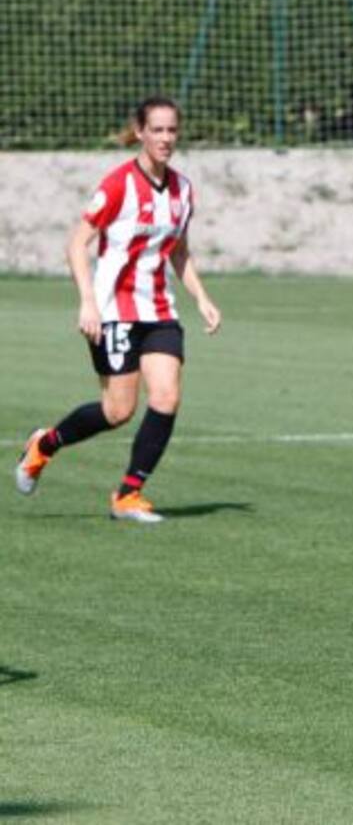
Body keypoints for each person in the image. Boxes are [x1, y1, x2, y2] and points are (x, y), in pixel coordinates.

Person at [14, 96, 222, 523]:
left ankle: (128, 494)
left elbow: (178, 250)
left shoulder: (183, 190)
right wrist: (88, 302)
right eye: (157, 130)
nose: (166, 138)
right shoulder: (118, 184)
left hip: (159, 310)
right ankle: (44, 445)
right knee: (117, 411)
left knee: (166, 396)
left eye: (172, 130)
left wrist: (201, 298)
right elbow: (76, 244)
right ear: (140, 132)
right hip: (114, 311)